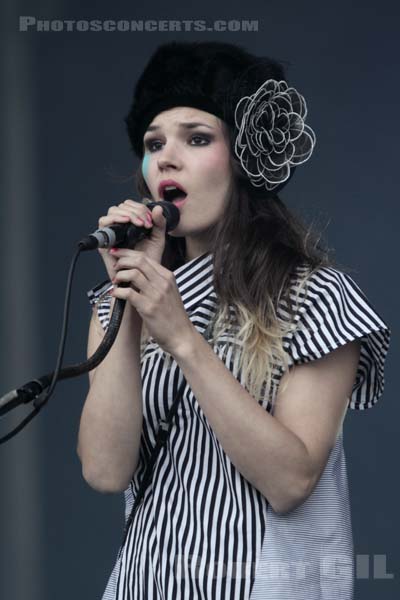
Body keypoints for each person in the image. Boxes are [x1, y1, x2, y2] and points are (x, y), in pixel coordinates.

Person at [77, 41, 391, 600]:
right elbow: (105, 470)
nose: (166, 158)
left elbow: (290, 481)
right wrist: (128, 301)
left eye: (197, 138)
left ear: (244, 160)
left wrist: (181, 338)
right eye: (154, 144)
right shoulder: (114, 304)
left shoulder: (315, 295)